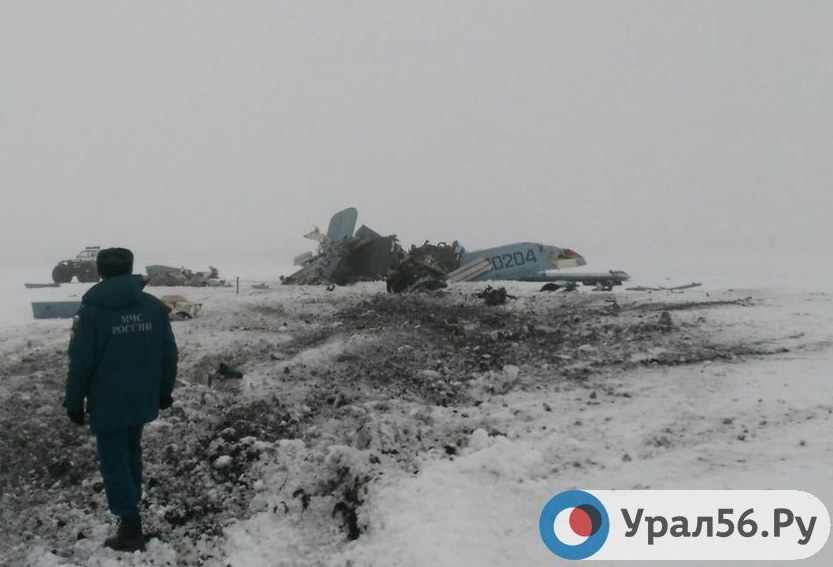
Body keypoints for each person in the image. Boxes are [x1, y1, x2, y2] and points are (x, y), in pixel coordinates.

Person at [65, 247, 178, 552]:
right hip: (142, 397)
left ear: (100, 272)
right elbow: (169, 354)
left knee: (114, 462)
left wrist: (74, 403)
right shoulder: (154, 307)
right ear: (130, 269)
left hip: (108, 403)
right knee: (131, 452)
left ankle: (129, 525)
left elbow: (80, 364)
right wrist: (164, 391)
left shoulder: (89, 313)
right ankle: (131, 506)